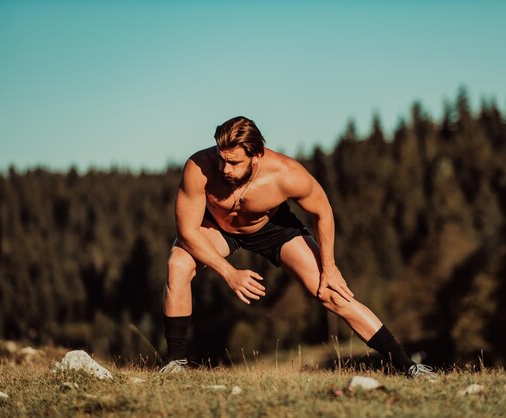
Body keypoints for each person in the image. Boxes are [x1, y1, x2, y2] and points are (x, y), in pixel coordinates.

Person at [161, 116, 434, 377]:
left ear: (256, 155)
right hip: (216, 228)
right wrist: (230, 273)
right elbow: (186, 231)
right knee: (178, 264)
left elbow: (323, 212)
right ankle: (176, 362)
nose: (225, 169)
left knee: (331, 293)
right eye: (222, 160)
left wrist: (329, 266)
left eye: (234, 162)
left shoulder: (286, 174)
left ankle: (407, 366)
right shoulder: (199, 167)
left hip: (273, 228)